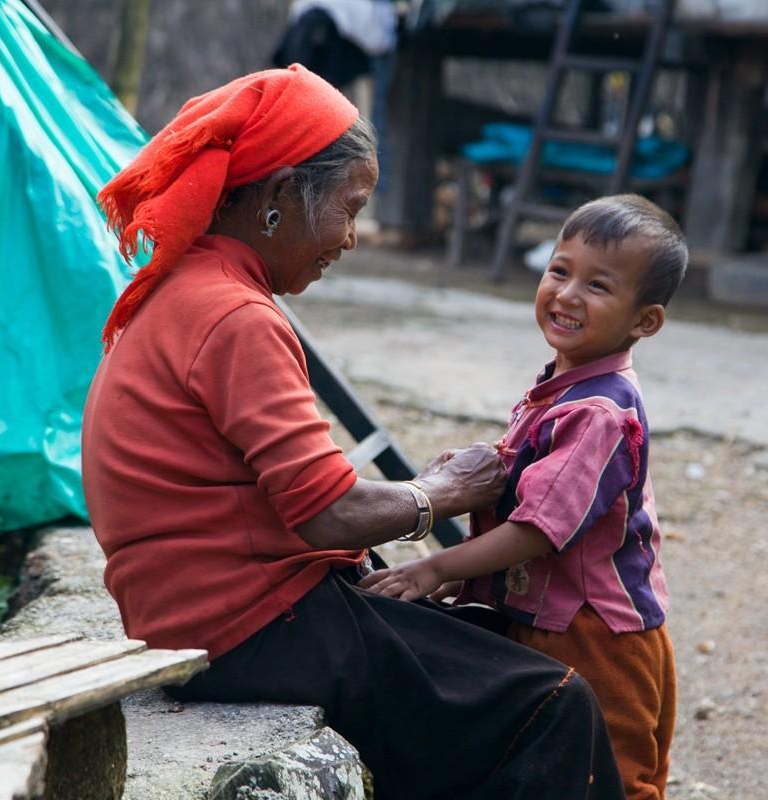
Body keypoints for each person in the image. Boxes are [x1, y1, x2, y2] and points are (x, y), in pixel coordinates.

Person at [81, 65, 626, 800]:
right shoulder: (233, 315)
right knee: (554, 704)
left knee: (479, 648)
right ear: (278, 200)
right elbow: (326, 512)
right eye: (349, 208)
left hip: (203, 620)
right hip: (253, 631)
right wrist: (442, 492)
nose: (353, 237)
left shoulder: (186, 291)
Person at [362, 194, 687, 800]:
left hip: (593, 633)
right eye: (560, 270)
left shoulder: (600, 411)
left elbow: (540, 528)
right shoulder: (564, 383)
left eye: (598, 285)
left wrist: (435, 566)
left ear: (645, 321)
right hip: (547, 615)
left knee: (611, 778)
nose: (566, 294)